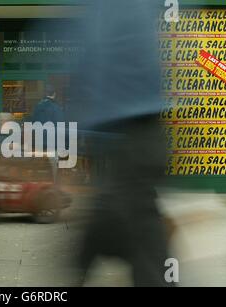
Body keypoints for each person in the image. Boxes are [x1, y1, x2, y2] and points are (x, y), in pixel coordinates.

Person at [68, 0, 173, 286]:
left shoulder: (106, 10)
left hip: (126, 136)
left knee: (122, 226)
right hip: (141, 136)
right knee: (136, 232)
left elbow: (89, 58)